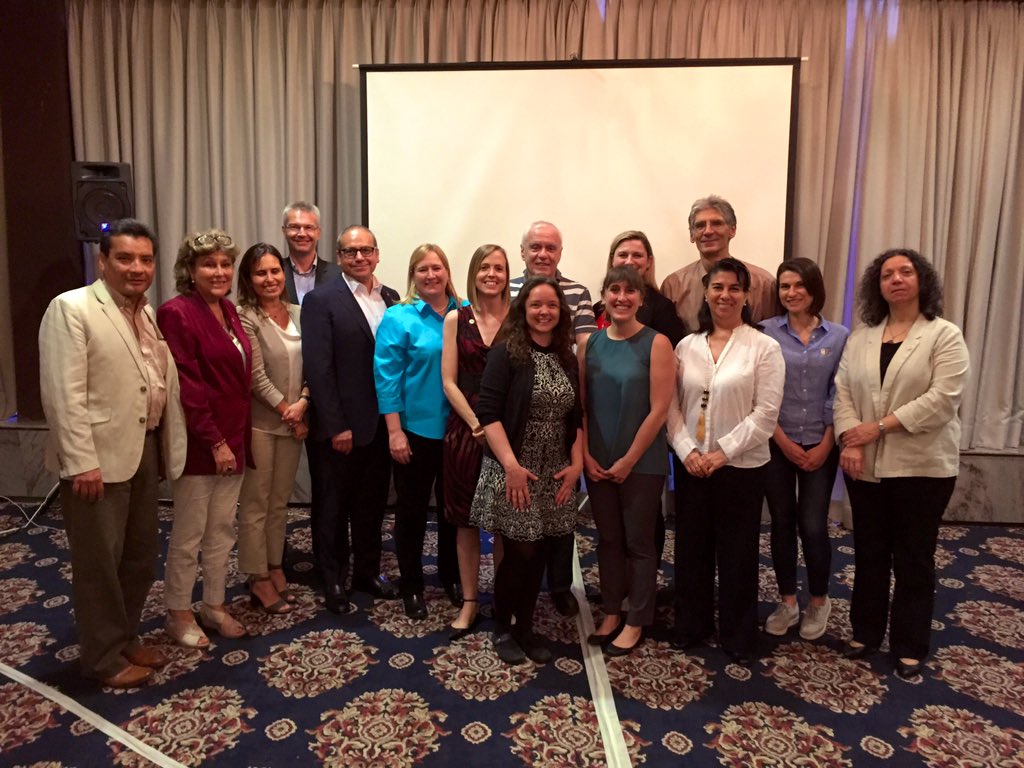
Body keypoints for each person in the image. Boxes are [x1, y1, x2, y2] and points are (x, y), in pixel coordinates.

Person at [39, 219, 186, 688]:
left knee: (138, 557)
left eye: (145, 259)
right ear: (102, 261)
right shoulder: (72, 308)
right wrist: (80, 461)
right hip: (96, 460)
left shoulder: (145, 314)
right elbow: (63, 394)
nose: (136, 268)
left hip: (142, 449)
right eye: (125, 258)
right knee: (99, 563)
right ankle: (102, 658)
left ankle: (124, 637)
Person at [834, 248, 970, 679]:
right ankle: (866, 632)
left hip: (922, 467)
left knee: (914, 557)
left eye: (905, 272)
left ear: (921, 280)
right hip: (864, 465)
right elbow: (843, 393)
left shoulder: (943, 335)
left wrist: (875, 429)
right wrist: (851, 440)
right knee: (870, 552)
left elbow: (942, 400)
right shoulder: (861, 337)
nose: (896, 279)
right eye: (887, 274)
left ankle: (910, 644)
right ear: (877, 286)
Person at [666, 258, 784, 665]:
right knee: (691, 549)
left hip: (741, 468)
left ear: (746, 296)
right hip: (692, 465)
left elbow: (765, 414)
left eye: (734, 288)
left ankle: (737, 634)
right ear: (706, 293)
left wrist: (721, 453)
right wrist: (687, 451)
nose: (725, 295)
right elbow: (671, 407)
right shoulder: (686, 346)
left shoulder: (764, 347)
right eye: (718, 287)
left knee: (738, 553)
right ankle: (692, 625)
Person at [470, 276, 584, 665]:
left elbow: (576, 417)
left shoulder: (567, 356)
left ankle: (525, 627)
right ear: (524, 309)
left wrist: (576, 465)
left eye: (551, 305)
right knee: (521, 551)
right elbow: (488, 414)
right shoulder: (506, 353)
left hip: (554, 471)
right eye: (536, 305)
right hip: (514, 469)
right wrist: (511, 467)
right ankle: (503, 626)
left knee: (540, 552)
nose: (544, 312)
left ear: (561, 311)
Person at [158, 229, 252, 647]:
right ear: (190, 270)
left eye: (225, 264)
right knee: (189, 533)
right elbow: (188, 385)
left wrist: (231, 441)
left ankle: (213, 604)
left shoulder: (228, 309)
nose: (219, 271)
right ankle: (178, 612)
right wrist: (214, 441)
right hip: (202, 442)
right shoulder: (177, 313)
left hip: (235, 437)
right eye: (208, 264)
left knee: (222, 530)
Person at [303, 226, 401, 614]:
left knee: (371, 505)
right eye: (350, 251)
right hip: (340, 428)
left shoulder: (391, 298)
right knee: (332, 507)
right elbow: (319, 368)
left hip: (380, 425)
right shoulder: (320, 300)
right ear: (339, 256)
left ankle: (367, 572)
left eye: (366, 250)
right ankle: (333, 579)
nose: (359, 257)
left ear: (377, 253)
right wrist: (335, 425)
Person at [580, 266, 674, 657]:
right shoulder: (590, 344)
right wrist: (586, 455)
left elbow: (659, 410)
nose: (621, 297)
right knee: (608, 540)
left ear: (640, 298)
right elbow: (582, 407)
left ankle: (637, 619)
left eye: (629, 291)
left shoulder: (657, 343)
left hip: (642, 462)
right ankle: (611, 611)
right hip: (598, 461)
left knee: (639, 543)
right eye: (614, 290)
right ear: (603, 296)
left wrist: (628, 461)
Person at [508, 221, 596, 619]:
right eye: (535, 247)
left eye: (551, 248)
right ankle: (515, 590)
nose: (543, 254)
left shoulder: (578, 292)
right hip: (519, 414)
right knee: (519, 509)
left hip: (560, 409)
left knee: (561, 505)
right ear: (522, 251)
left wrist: (579, 407)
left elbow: (584, 349)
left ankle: (560, 585)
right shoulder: (507, 288)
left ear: (560, 252)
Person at [760, 258, 849, 640]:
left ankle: (818, 601)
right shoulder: (765, 332)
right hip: (777, 442)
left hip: (820, 443)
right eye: (785, 286)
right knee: (781, 522)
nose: (791, 292)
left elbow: (840, 393)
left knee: (813, 525)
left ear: (814, 288)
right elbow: (761, 391)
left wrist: (827, 442)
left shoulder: (839, 336)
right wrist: (782, 440)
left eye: (799, 285)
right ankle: (787, 602)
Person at [375, 244, 462, 619]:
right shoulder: (399, 316)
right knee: (410, 513)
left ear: (447, 272)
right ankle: (412, 584)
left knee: (453, 512)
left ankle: (451, 576)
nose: (430, 275)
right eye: (422, 269)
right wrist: (394, 432)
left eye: (436, 268)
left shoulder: (466, 312)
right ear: (413, 275)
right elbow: (386, 377)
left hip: (459, 432)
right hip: (414, 431)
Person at [442, 244, 510, 641]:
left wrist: (497, 426)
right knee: (465, 521)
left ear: (507, 275)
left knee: (502, 521)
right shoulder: (456, 318)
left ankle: (502, 598)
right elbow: (448, 380)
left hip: (508, 431)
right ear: (473, 273)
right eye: (484, 267)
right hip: (465, 431)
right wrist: (475, 423)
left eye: (499, 268)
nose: (491, 274)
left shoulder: (519, 319)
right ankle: (469, 601)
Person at [236, 243, 308, 615]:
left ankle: (274, 565)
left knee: (279, 503)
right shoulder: (244, 316)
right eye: (260, 273)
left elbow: (313, 365)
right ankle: (257, 575)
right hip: (261, 425)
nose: (269, 279)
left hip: (294, 421)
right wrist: (288, 412)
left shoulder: (299, 312)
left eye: (275, 271)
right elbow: (254, 376)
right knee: (255, 504)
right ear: (249, 279)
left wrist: (303, 404)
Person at [660, 195, 776, 331]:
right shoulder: (673, 285)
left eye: (717, 223)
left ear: (732, 230)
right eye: (700, 226)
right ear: (692, 235)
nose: (708, 231)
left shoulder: (763, 284)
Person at [594, 230, 687, 346]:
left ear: (649, 262)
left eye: (637, 255)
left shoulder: (663, 309)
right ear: (612, 260)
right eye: (623, 255)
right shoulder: (597, 309)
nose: (629, 261)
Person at [280, 201, 340, 305]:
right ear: (284, 232)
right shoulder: (274, 274)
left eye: (308, 227)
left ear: (318, 233)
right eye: (294, 227)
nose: (302, 234)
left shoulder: (338, 275)